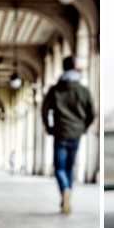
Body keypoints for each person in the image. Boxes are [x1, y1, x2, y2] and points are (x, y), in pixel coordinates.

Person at [42, 56, 96, 214]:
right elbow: (92, 113)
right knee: (70, 167)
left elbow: (44, 110)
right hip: (76, 134)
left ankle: (65, 190)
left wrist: (49, 126)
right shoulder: (83, 90)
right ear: (75, 68)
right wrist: (83, 128)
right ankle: (67, 196)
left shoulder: (55, 89)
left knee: (59, 168)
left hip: (60, 132)